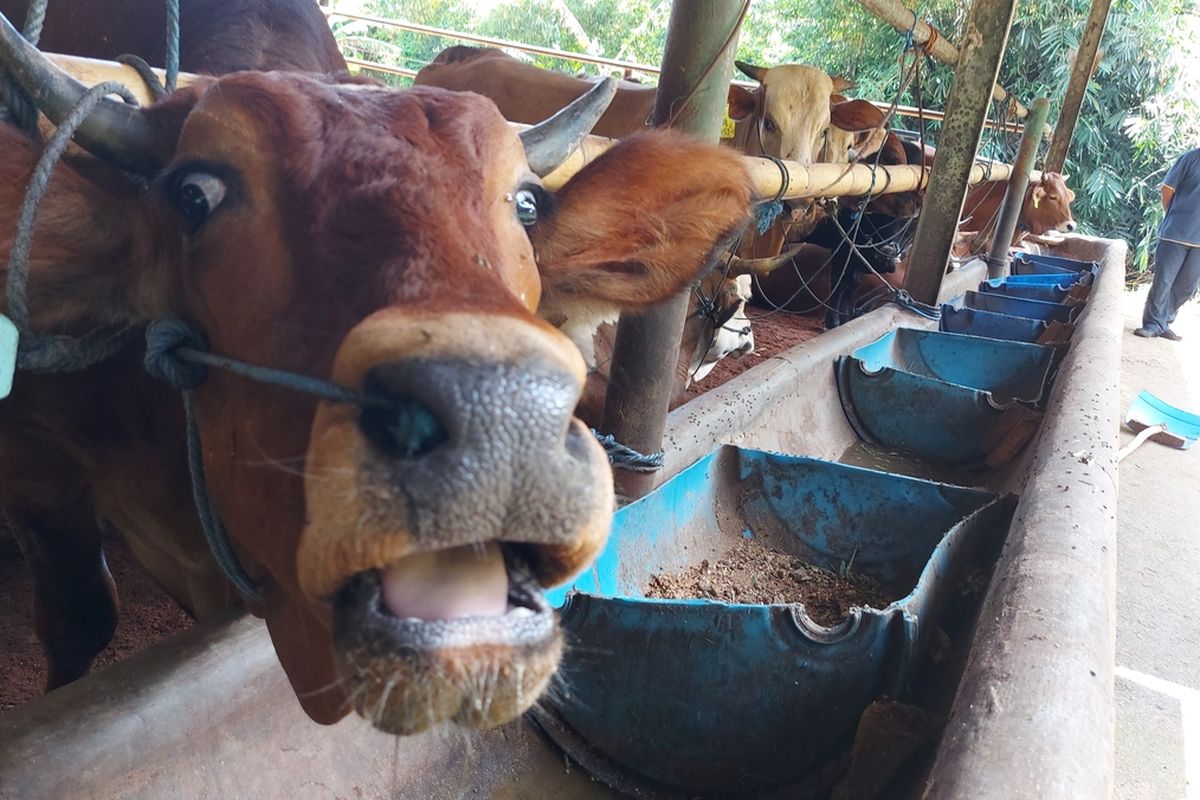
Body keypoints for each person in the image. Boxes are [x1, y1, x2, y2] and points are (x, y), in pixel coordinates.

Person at [1136, 147, 1200, 340]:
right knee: (1163, 281)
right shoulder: (1190, 158)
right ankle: (1152, 324)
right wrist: (1172, 214)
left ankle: (1164, 322)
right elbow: (1167, 188)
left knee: (1187, 287)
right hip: (1175, 234)